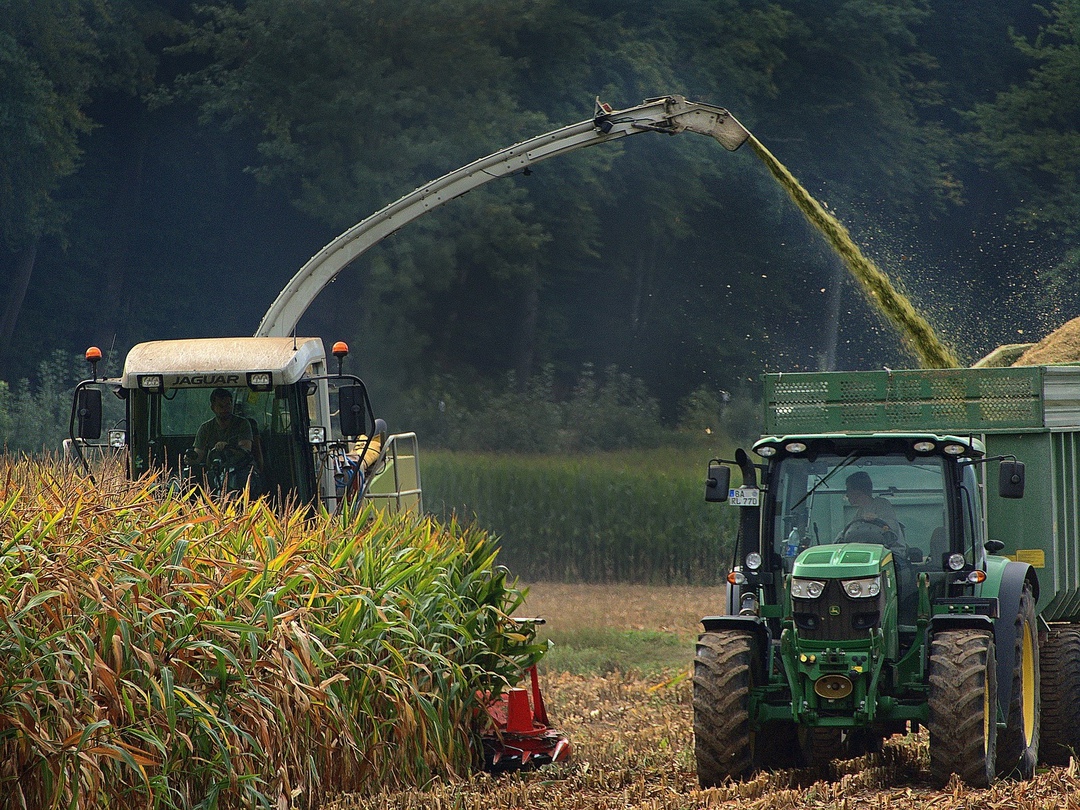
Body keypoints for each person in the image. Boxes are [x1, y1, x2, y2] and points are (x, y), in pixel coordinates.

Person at [839, 470, 905, 547]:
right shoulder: (860, 511)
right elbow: (850, 531)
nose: (847, 495)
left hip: (891, 553)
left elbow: (892, 529)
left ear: (858, 491)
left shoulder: (882, 504)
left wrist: (877, 520)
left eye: (848, 490)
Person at [189, 388, 253, 466]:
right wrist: (190, 458)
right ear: (213, 408)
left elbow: (246, 450)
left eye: (227, 405)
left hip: (240, 468)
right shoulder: (205, 428)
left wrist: (227, 447)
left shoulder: (242, 424)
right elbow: (198, 455)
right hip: (215, 469)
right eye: (220, 406)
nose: (225, 409)